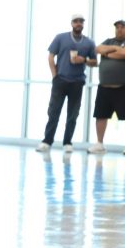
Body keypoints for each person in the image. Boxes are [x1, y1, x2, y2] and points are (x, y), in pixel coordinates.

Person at [36, 13, 97, 153]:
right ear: (71, 23)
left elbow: (95, 62)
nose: (78, 24)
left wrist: (84, 60)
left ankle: (67, 142)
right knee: (53, 112)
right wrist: (54, 76)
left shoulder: (89, 42)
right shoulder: (60, 38)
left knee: (73, 114)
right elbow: (51, 56)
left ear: (83, 24)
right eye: (76, 21)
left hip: (77, 82)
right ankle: (47, 141)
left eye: (81, 21)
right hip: (60, 81)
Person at [88, 20, 125, 156]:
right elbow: (98, 49)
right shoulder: (109, 41)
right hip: (105, 87)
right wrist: (115, 49)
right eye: (117, 27)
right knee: (100, 115)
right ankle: (99, 144)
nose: (119, 29)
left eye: (122, 27)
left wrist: (108, 53)